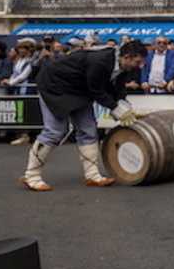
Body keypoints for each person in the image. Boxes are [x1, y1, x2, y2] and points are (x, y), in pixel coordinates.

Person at [17, 41, 147, 191]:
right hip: (54, 86)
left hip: (79, 90)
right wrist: (116, 110)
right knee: (55, 130)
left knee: (89, 129)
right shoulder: (100, 61)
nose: (139, 65)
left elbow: (118, 89)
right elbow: (96, 91)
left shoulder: (125, 66)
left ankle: (92, 175)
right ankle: (31, 175)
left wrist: (124, 107)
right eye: (138, 61)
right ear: (127, 56)